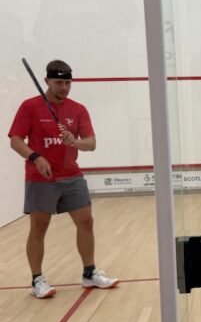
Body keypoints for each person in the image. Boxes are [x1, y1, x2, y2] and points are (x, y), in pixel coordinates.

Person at [8, 59, 118, 298]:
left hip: (71, 176)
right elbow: (15, 140)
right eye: (59, 83)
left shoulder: (78, 109)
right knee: (39, 227)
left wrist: (74, 141)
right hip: (40, 178)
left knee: (86, 222)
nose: (64, 88)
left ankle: (89, 273)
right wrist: (35, 157)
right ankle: (37, 280)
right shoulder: (30, 107)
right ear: (47, 81)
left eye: (68, 83)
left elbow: (91, 143)